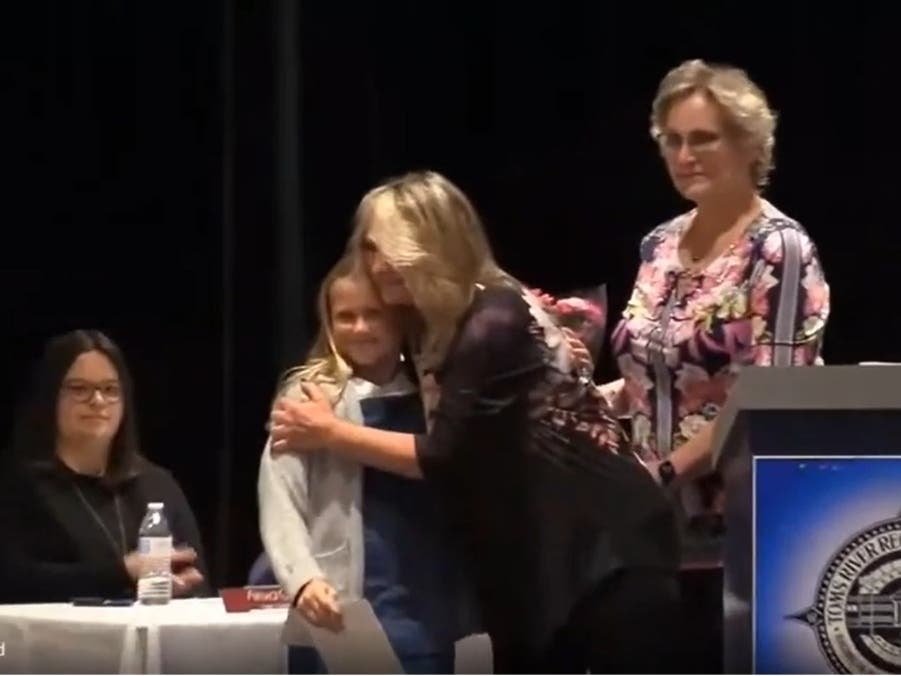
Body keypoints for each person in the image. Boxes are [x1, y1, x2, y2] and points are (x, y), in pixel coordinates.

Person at [269, 171, 681, 673]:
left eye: (388, 247)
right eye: (370, 249)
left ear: (435, 241)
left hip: (605, 548)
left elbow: (446, 457)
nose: (376, 265)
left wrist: (330, 432)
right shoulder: (442, 323)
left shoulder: (493, 318)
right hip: (542, 560)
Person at [606, 59, 830, 667]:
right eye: (672, 141)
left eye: (703, 138)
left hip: (738, 535)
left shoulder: (778, 248)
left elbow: (769, 398)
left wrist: (667, 473)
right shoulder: (658, 243)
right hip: (649, 532)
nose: (685, 155)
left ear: (749, 142)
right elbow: (654, 373)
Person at [259, 256, 475, 674]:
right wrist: (301, 577)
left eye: (373, 314)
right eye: (346, 316)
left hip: (424, 610)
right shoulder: (310, 395)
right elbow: (280, 496)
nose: (360, 328)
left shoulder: (433, 395)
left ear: (399, 319)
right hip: (338, 610)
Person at [0, 330, 209, 603]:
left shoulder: (158, 485)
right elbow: (15, 580)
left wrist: (182, 587)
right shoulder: (17, 485)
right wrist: (123, 573)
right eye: (79, 389)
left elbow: (199, 582)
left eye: (110, 390)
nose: (97, 401)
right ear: (50, 397)